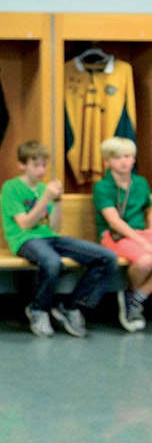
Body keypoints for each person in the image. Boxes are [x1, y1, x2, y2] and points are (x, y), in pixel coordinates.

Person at [1, 140, 117, 338]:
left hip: (50, 237)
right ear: (22, 165)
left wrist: (58, 201)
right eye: (35, 165)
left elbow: (54, 227)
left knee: (107, 258)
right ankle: (38, 309)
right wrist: (46, 199)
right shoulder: (11, 188)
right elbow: (25, 224)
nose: (41, 170)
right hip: (24, 239)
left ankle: (71, 306)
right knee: (52, 262)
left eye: (44, 165)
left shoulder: (44, 188)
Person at [92, 136, 152, 332]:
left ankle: (135, 298)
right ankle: (133, 300)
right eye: (117, 158)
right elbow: (114, 222)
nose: (124, 161)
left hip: (140, 233)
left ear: (134, 159)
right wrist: (143, 243)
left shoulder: (141, 183)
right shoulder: (102, 187)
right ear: (107, 162)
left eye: (127, 156)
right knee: (145, 261)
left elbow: (149, 209)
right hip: (114, 236)